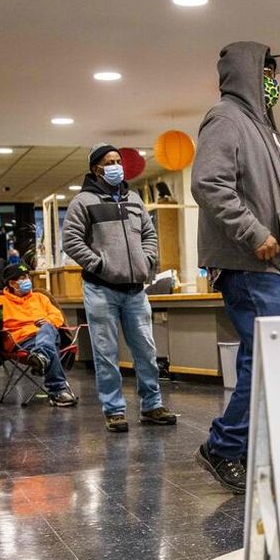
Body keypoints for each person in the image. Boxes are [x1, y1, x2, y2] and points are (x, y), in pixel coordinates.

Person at [191, 41, 280, 493]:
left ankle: (244, 446)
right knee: (266, 359)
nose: (273, 81)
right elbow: (208, 182)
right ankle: (224, 447)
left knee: (262, 359)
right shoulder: (227, 118)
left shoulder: (264, 127)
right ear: (246, 73)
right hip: (250, 263)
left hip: (273, 266)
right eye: (265, 72)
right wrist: (254, 233)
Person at [62, 144, 175, 432]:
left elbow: (149, 234)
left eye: (117, 161)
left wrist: (147, 260)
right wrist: (99, 265)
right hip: (101, 289)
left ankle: (152, 406)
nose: (115, 166)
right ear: (95, 169)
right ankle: (114, 410)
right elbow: (72, 241)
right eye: (108, 162)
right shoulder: (83, 202)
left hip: (136, 290)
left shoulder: (134, 199)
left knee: (146, 351)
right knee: (106, 353)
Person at [0, 263, 78, 406]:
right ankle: (57, 390)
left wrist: (48, 321)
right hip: (20, 342)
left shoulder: (40, 297)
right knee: (50, 343)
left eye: (27, 277)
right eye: (23, 278)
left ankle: (41, 357)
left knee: (48, 327)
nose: (28, 280)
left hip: (45, 335)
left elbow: (57, 317)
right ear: (12, 283)